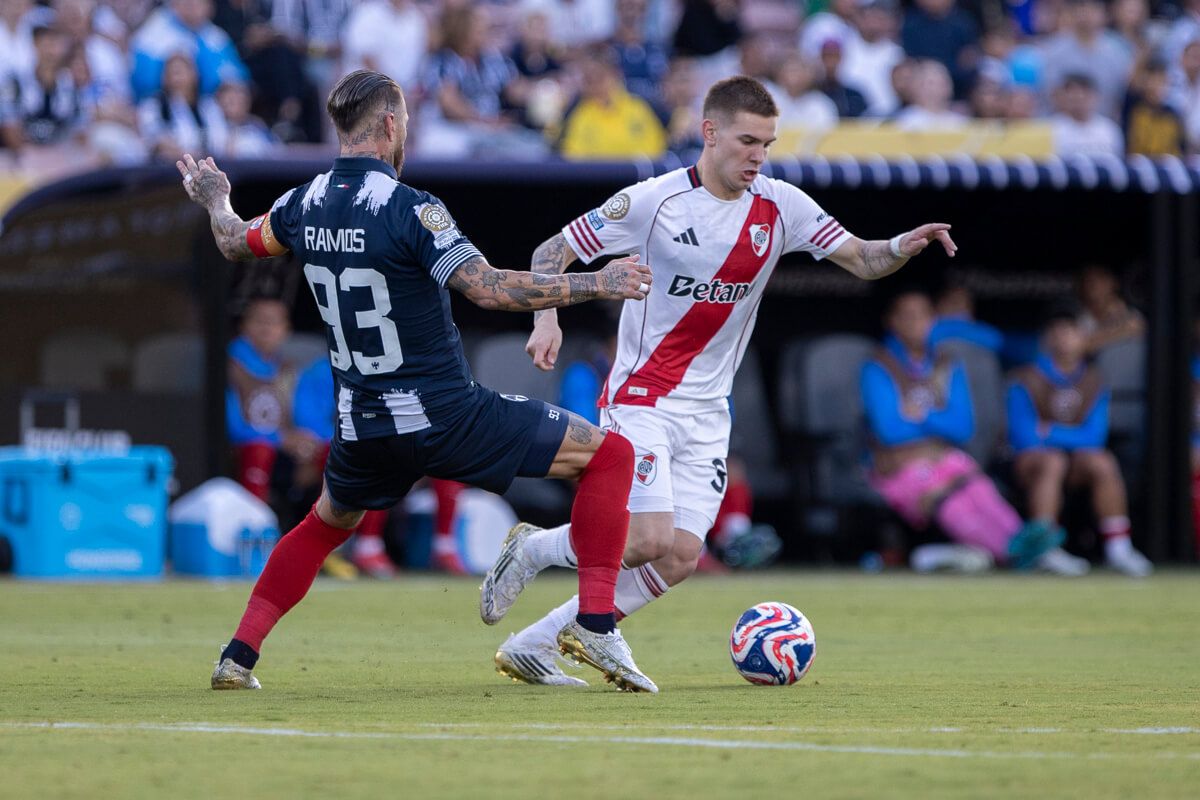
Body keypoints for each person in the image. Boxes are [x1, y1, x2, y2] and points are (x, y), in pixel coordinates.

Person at [179, 69, 658, 692]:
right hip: (443, 414)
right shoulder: (412, 209)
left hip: (360, 425)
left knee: (326, 523)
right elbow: (487, 288)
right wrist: (600, 282)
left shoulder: (304, 203)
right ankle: (595, 623)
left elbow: (233, 241)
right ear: (390, 125)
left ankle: (237, 656)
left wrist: (216, 197)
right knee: (612, 456)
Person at [479, 75, 958, 687]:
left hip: (709, 411)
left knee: (680, 556)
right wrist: (546, 317)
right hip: (642, 396)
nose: (758, 156)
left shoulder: (782, 207)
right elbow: (553, 251)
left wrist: (900, 244)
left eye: (768, 143)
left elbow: (863, 259)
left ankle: (537, 641)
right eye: (747, 141)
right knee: (648, 538)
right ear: (709, 133)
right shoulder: (653, 202)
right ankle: (538, 552)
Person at [863, 288, 1087, 575]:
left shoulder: (945, 364)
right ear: (891, 321)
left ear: (934, 321)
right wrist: (932, 436)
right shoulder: (879, 366)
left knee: (978, 487)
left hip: (944, 459)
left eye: (921, 316)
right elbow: (889, 431)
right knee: (949, 497)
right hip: (897, 470)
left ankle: (1030, 545)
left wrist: (923, 416)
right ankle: (1015, 553)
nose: (914, 323)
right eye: (906, 316)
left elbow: (962, 427)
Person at [1007, 306, 1153, 576]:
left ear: (1083, 336)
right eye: (1057, 332)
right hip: (1033, 464)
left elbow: (1094, 437)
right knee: (1053, 461)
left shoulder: (1094, 379)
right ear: (1047, 338)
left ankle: (1119, 548)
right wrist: (1059, 438)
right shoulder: (1025, 377)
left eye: (1070, 331)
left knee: (1102, 461)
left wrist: (1050, 431)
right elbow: (1025, 436)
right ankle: (1045, 549)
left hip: (1075, 462)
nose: (1063, 338)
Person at [558, 46, 667, 160]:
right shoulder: (578, 114)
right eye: (590, 80)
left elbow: (656, 149)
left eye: (600, 77)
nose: (596, 86)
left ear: (616, 75)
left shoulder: (639, 107)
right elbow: (573, 156)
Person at [1076, 264, 1144, 356]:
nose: (1094, 284)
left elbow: (1137, 326)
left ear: (1114, 282)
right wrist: (1121, 331)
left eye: (1100, 278)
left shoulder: (1133, 316)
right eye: (1088, 279)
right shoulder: (1081, 317)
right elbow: (1074, 347)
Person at [1050, 74, 1124, 158]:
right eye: (1074, 97)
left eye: (1084, 95)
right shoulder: (1051, 128)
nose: (1079, 100)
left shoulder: (1109, 129)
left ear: (1095, 97)